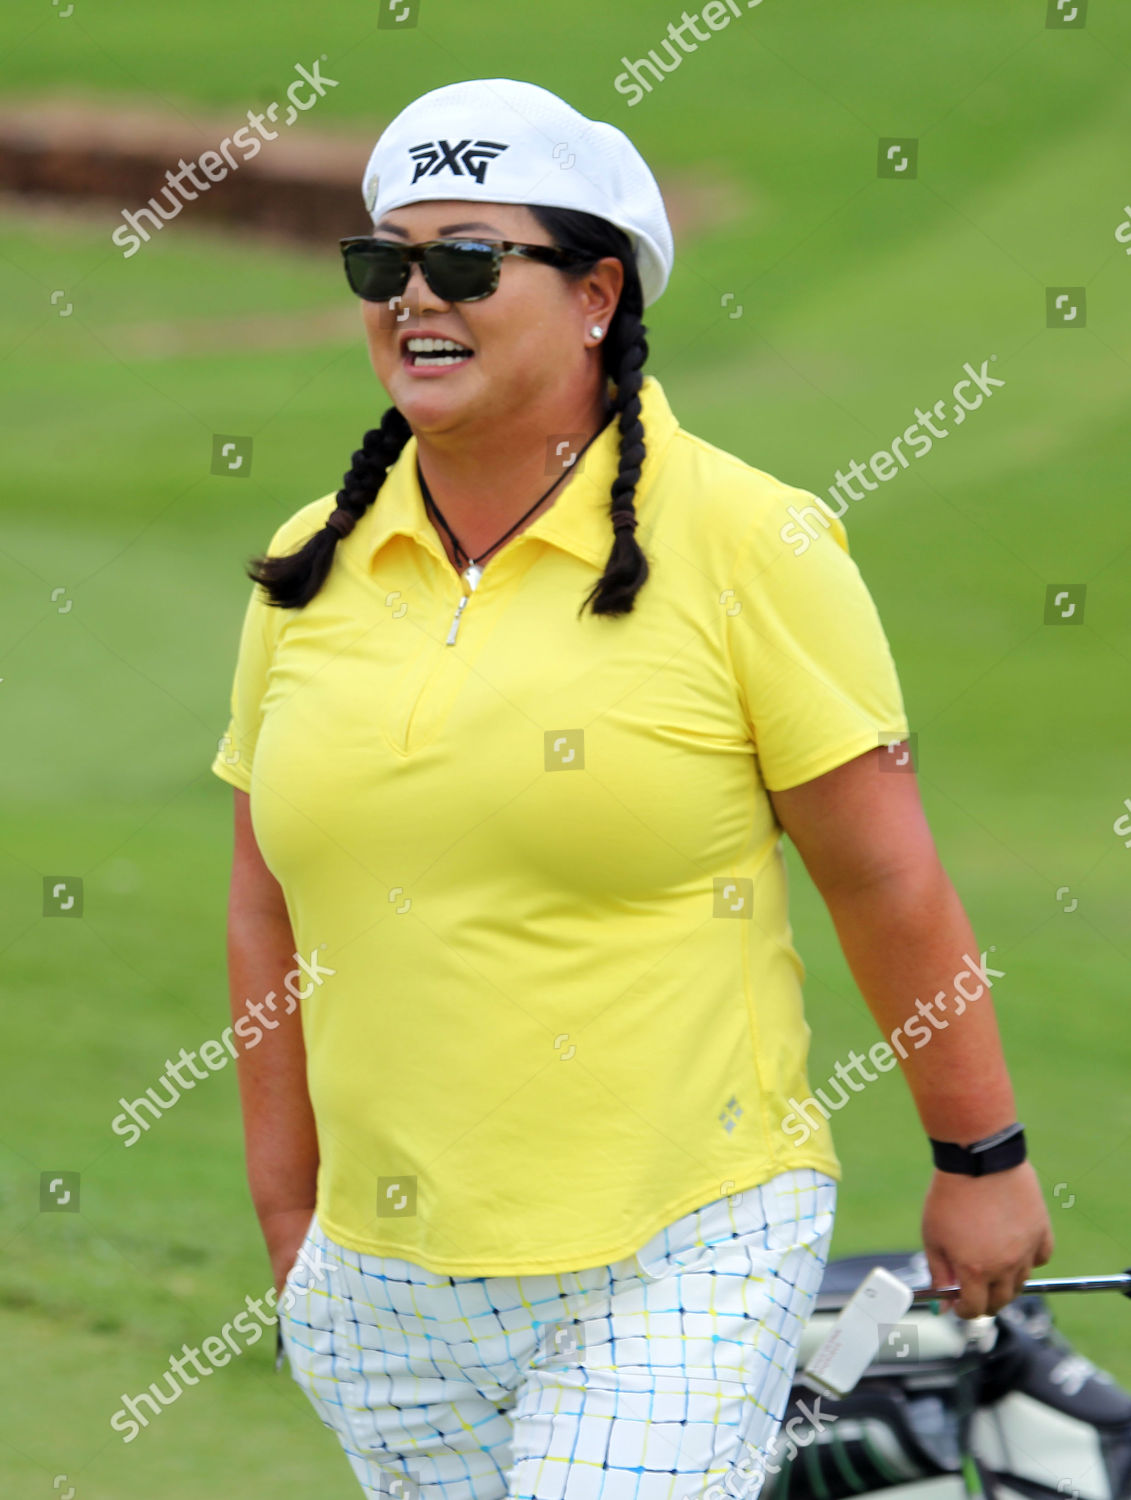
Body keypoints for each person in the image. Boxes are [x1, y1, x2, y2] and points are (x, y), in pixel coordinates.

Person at [210, 77, 1053, 1500]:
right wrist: (293, 1215)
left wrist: (982, 1157)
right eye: (384, 263)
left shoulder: (751, 542)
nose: (415, 295)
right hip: (386, 1282)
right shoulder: (314, 558)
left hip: (683, 1242)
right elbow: (264, 905)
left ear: (596, 291)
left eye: (467, 260)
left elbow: (885, 874)